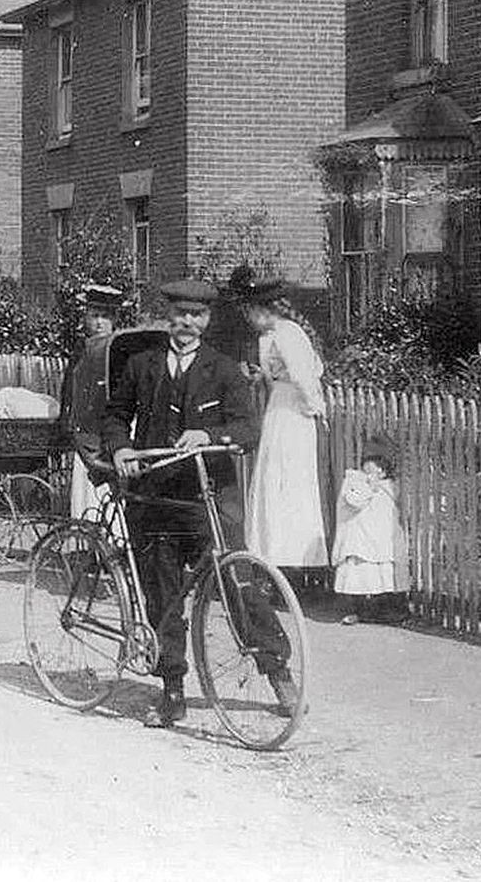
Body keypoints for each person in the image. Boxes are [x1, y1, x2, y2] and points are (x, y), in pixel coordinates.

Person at [102, 276, 295, 727]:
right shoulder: (142, 365)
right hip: (154, 497)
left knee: (236, 584)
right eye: (180, 315)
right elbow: (114, 416)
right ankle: (172, 689)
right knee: (163, 598)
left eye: (197, 316)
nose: (187, 323)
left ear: (207, 321)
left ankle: (277, 671)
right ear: (168, 317)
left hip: (207, 498)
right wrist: (120, 448)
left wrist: (209, 435)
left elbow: (248, 430)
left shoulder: (224, 369)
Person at [238, 280, 331, 572]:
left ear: (263, 310)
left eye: (249, 312)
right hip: (279, 408)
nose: (248, 320)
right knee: (273, 480)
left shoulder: (289, 333)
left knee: (289, 482)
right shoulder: (270, 335)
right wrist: (258, 377)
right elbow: (276, 375)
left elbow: (304, 377)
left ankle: (293, 558)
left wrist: (316, 409)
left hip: (294, 413)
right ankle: (272, 553)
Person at [61, 283, 126, 519]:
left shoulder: (120, 350)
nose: (99, 323)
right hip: (85, 429)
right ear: (85, 318)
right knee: (86, 486)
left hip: (111, 430)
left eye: (105, 317)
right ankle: (87, 537)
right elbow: (70, 389)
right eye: (94, 316)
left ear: (114, 320)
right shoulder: (81, 350)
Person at [333, 438, 409, 625]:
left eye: (382, 467)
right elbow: (352, 501)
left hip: (382, 541)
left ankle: (386, 608)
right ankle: (356, 608)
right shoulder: (355, 480)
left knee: (383, 575)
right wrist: (369, 487)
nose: (376, 470)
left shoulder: (391, 486)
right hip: (361, 540)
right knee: (360, 573)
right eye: (372, 463)